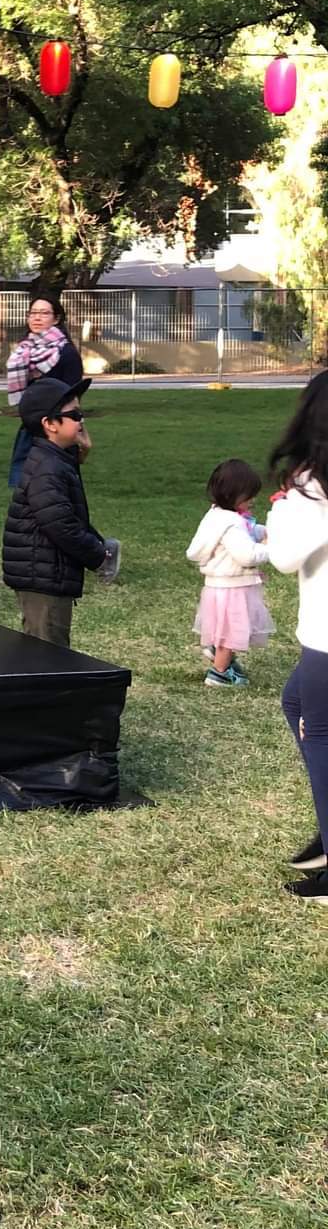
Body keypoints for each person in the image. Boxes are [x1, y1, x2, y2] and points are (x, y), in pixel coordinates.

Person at [264, 374, 328, 902]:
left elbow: (284, 557)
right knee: (294, 702)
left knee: (323, 734)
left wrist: (282, 507)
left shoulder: (314, 487)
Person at [1, 375, 112, 649]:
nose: (81, 420)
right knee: (48, 655)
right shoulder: (47, 468)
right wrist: (99, 555)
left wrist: (81, 452)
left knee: (46, 652)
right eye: (73, 414)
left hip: (48, 573)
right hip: (42, 579)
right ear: (49, 424)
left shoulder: (54, 460)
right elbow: (61, 525)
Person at [186, 458, 273, 690]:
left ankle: (217, 652)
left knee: (223, 628)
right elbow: (247, 555)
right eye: (249, 495)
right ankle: (220, 673)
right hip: (234, 587)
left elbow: (249, 530)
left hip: (217, 587)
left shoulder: (217, 516)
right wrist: (272, 550)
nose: (253, 500)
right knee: (231, 633)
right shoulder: (232, 524)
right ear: (232, 494)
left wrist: (263, 531)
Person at [5, 296, 82, 488]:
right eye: (33, 313)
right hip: (30, 427)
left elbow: (73, 396)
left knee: (55, 486)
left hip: (57, 429)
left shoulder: (66, 353)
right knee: (24, 488)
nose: (37, 318)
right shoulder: (23, 351)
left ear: (56, 319)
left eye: (44, 313)